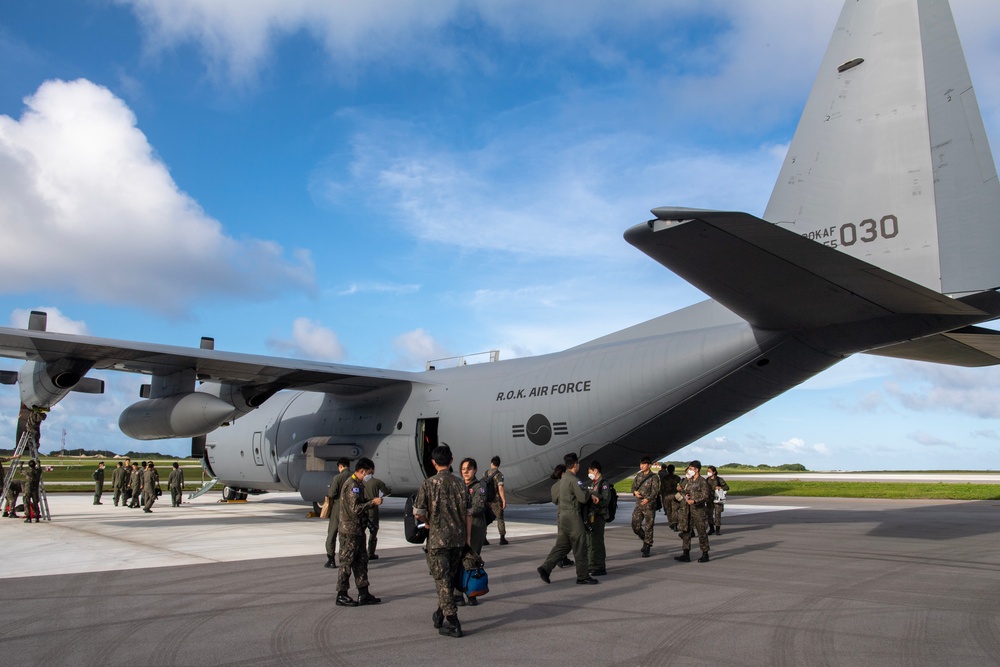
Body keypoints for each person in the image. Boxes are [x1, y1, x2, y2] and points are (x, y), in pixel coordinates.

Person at [412, 444, 472, 638]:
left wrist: (429, 523)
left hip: (438, 541)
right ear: (452, 461)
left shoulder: (428, 484)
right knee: (448, 580)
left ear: (433, 463)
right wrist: (468, 538)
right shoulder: (461, 484)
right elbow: (469, 513)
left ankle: (453, 622)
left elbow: (418, 513)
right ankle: (439, 614)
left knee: (442, 581)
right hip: (458, 540)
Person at [537, 452, 599, 586]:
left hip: (562, 516)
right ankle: (583, 576)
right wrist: (590, 493)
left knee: (562, 546)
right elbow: (582, 498)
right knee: (580, 545)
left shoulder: (563, 480)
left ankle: (545, 568)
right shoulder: (574, 480)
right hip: (573, 516)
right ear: (576, 465)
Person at [335, 458, 383, 607]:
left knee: (361, 561)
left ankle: (364, 592)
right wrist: (372, 503)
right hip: (349, 532)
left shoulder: (359, 485)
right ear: (362, 471)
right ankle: (341, 594)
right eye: (369, 473)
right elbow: (355, 509)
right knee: (346, 563)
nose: (370, 476)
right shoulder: (352, 485)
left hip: (358, 530)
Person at [459, 457, 489, 606]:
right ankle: (458, 593)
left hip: (476, 527)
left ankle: (471, 592)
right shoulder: (458, 486)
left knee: (471, 559)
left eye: (469, 469)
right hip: (459, 527)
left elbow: (478, 507)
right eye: (463, 469)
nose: (466, 472)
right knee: (457, 560)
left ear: (475, 470)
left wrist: (461, 511)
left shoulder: (479, 487)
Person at [674, 460, 712, 563]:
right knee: (686, 531)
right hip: (687, 510)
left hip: (698, 510)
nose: (690, 471)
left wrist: (695, 501)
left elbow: (706, 496)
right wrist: (685, 494)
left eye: (691, 469)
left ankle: (705, 553)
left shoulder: (702, 481)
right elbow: (685, 491)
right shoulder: (689, 481)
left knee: (701, 532)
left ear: (696, 469)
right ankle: (685, 553)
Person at [585, 461, 612, 576]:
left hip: (599, 516)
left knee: (597, 542)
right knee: (590, 541)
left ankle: (600, 566)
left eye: (590, 471)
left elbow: (605, 500)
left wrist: (596, 501)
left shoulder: (603, 483)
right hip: (592, 516)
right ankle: (592, 565)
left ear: (595, 470)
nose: (589, 473)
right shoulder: (593, 483)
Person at [324, 457, 352, 568]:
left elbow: (331, 493)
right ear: (348, 466)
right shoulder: (355, 477)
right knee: (348, 534)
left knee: (332, 533)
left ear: (340, 466)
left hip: (338, 508)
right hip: (351, 509)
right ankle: (347, 558)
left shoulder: (338, 478)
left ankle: (331, 559)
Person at [630, 456, 660, 557]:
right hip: (639, 504)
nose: (641, 466)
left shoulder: (654, 477)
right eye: (641, 464)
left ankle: (647, 545)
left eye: (644, 464)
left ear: (649, 465)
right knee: (635, 526)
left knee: (649, 526)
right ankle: (645, 539)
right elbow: (633, 487)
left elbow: (655, 491)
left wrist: (648, 499)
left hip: (649, 505)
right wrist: (635, 492)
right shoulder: (638, 475)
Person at [548, 464, 574, 569]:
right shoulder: (568, 483)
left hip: (560, 512)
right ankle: (559, 558)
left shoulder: (554, 487)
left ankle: (561, 558)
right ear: (563, 473)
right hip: (570, 512)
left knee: (561, 536)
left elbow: (554, 500)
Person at [363, 471, 391, 559]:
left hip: (363, 509)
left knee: (360, 531)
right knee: (373, 531)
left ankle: (361, 552)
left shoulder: (359, 482)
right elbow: (386, 492)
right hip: (373, 509)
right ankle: (370, 552)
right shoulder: (377, 482)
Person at [483, 456, 508, 545]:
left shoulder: (486, 473)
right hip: (496, 500)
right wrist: (503, 500)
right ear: (499, 464)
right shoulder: (499, 474)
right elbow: (500, 488)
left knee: (485, 519)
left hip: (486, 500)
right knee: (500, 519)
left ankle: (484, 538)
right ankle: (502, 538)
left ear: (491, 463)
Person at [705, 465, 730, 535]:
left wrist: (720, 487)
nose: (708, 472)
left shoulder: (719, 479)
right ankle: (711, 528)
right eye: (708, 471)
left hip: (717, 500)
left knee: (717, 514)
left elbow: (727, 487)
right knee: (709, 514)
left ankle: (717, 529)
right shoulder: (707, 480)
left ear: (714, 472)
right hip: (709, 500)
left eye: (710, 471)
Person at [658, 463, 682, 531]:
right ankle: (675, 524)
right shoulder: (677, 477)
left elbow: (662, 488)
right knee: (675, 510)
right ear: (674, 470)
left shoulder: (664, 479)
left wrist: (661, 494)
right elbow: (680, 487)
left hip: (666, 496)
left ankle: (671, 523)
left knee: (668, 510)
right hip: (675, 495)